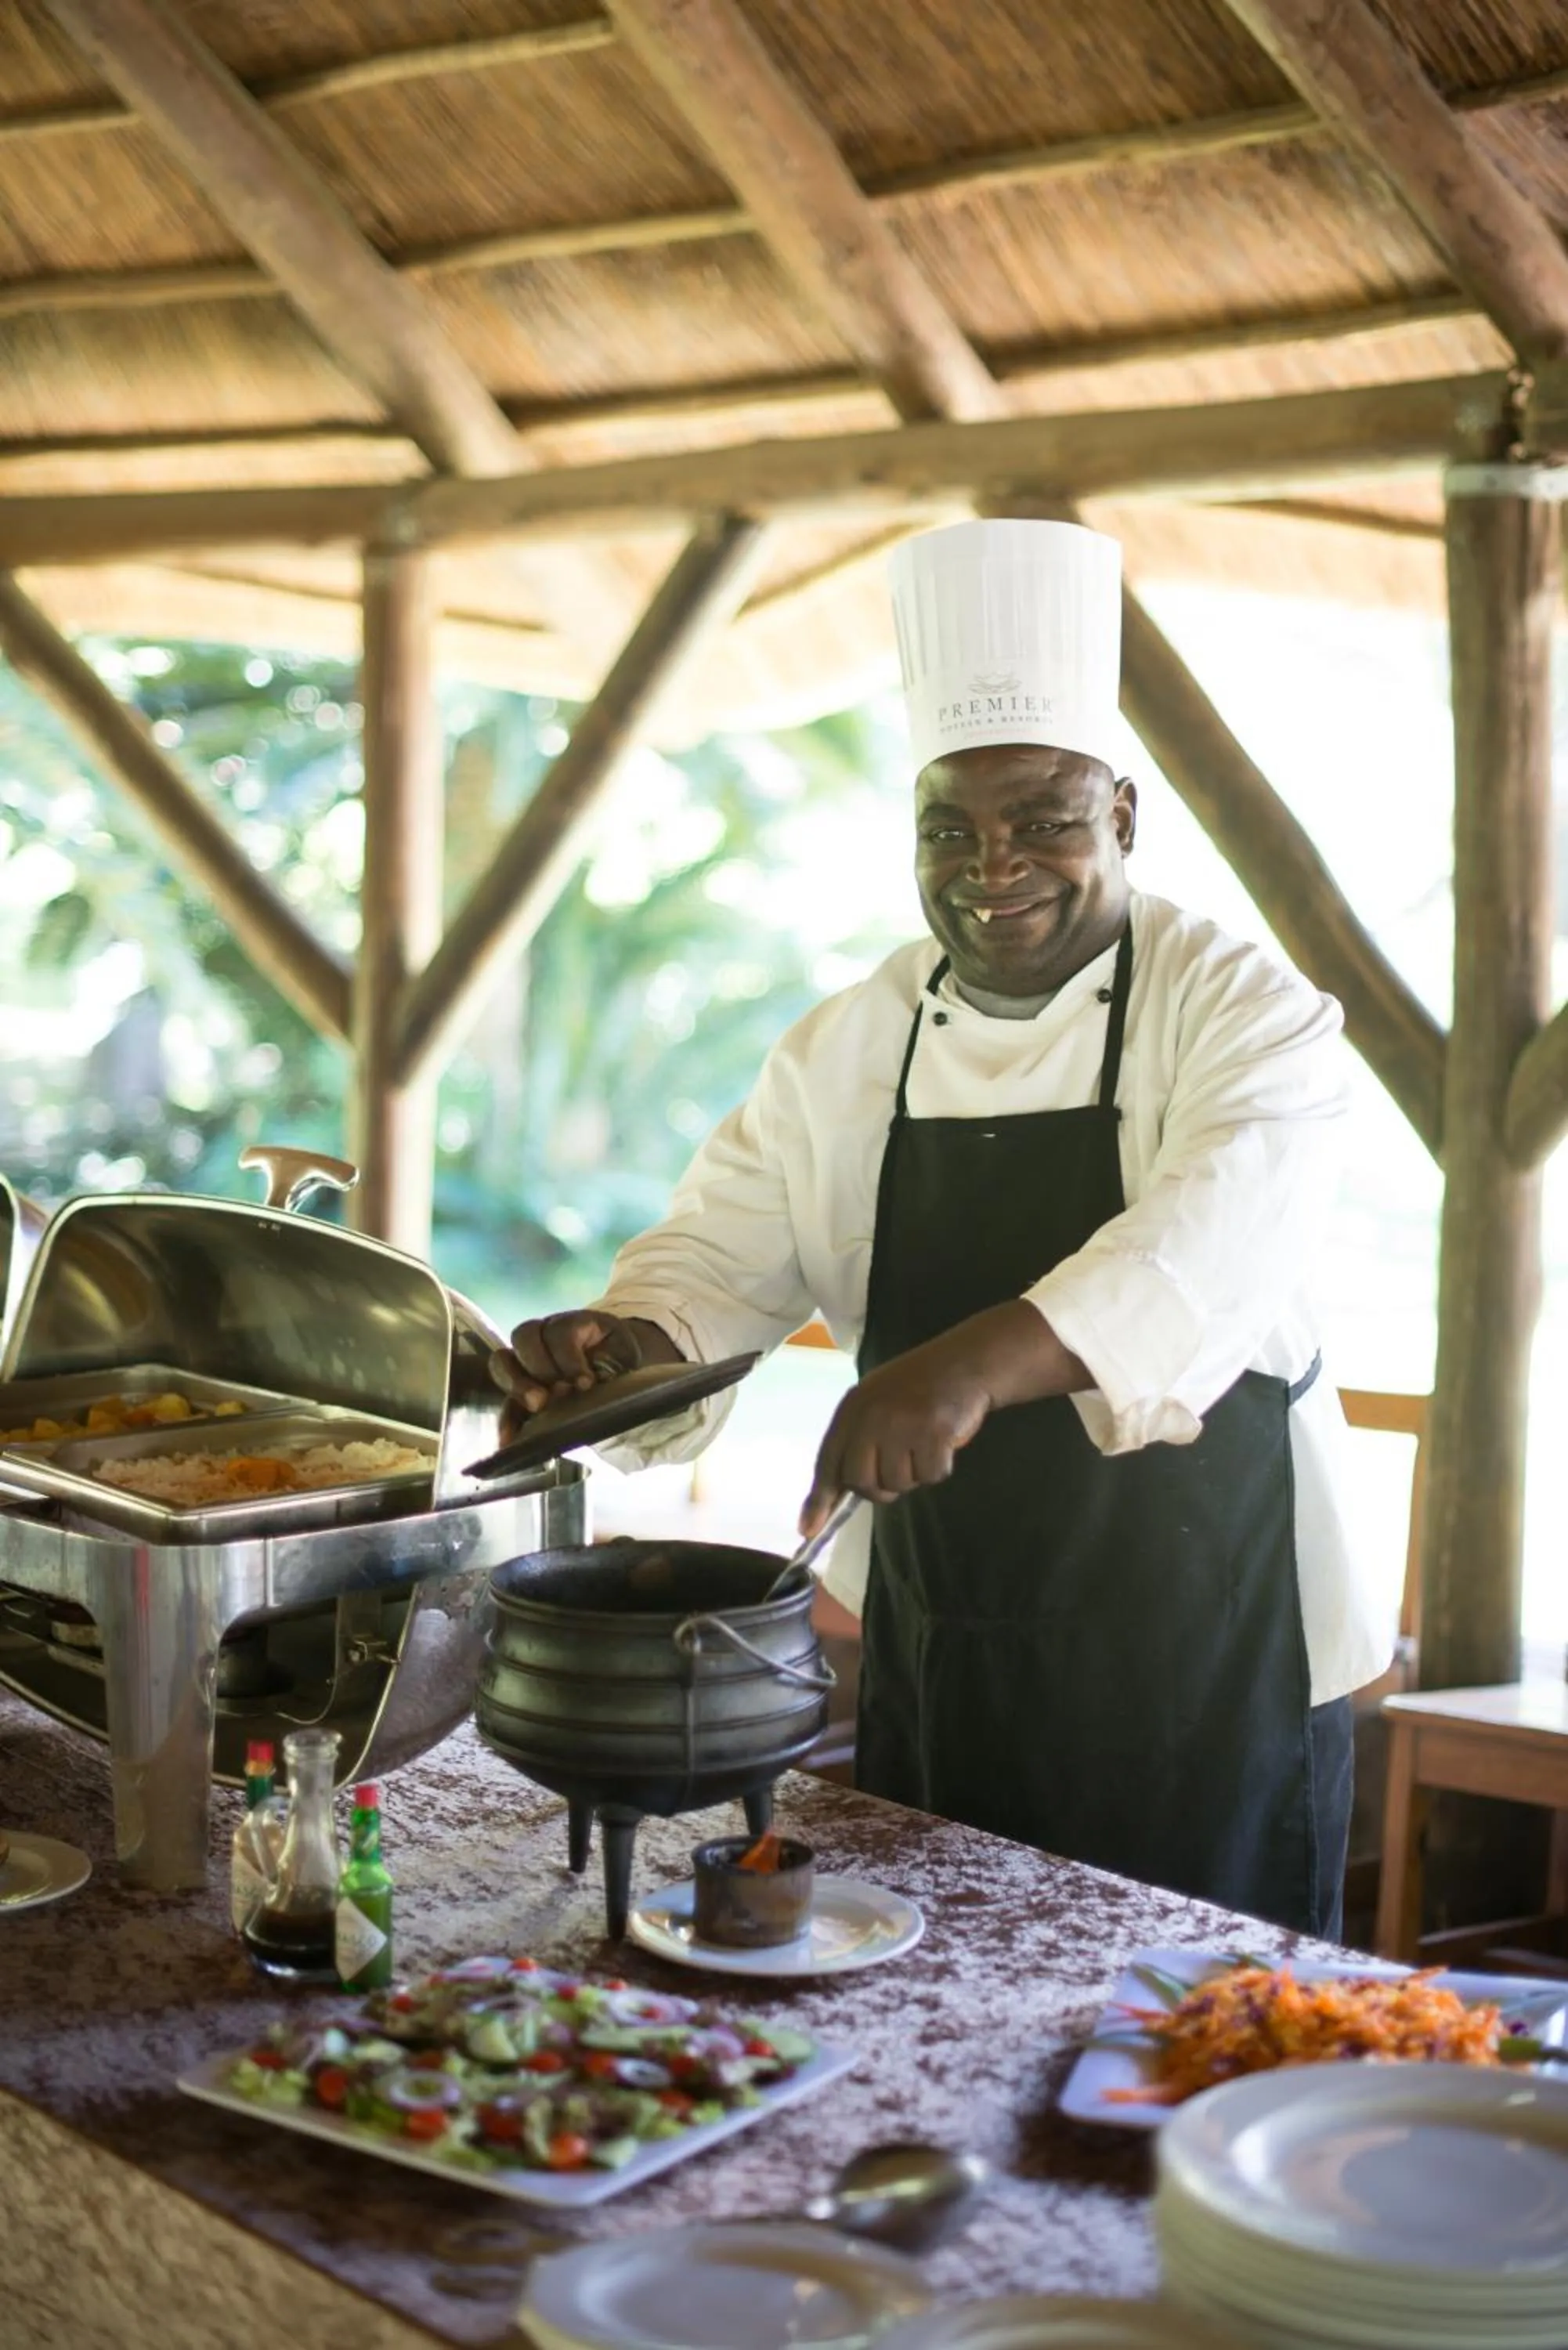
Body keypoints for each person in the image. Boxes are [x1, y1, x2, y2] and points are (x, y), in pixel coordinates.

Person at [493, 518, 1394, 1936]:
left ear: (1123, 817)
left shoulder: (1242, 1011)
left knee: (1185, 2022)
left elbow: (1205, 1248)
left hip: (1201, 1644)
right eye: (949, 829)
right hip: (942, 1633)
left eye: (1043, 818)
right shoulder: (849, 1041)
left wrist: (960, 1367)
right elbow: (720, 1253)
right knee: (924, 1989)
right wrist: (628, 1343)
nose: (994, 866)